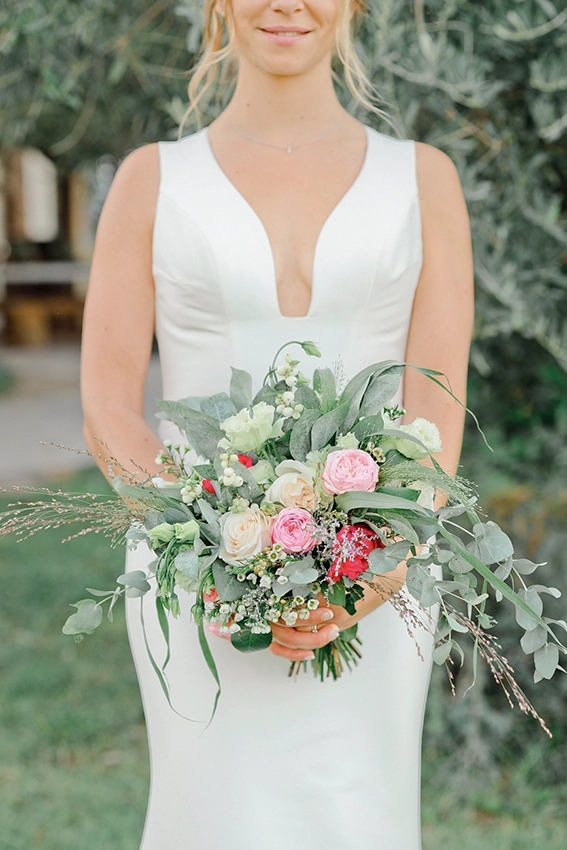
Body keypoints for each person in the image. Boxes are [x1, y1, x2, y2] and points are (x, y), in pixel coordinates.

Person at [80, 1, 474, 847]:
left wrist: (379, 566)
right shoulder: (151, 179)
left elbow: (437, 403)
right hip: (195, 582)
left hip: (384, 573)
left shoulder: (422, 177)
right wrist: (214, 552)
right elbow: (109, 407)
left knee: (357, 817)